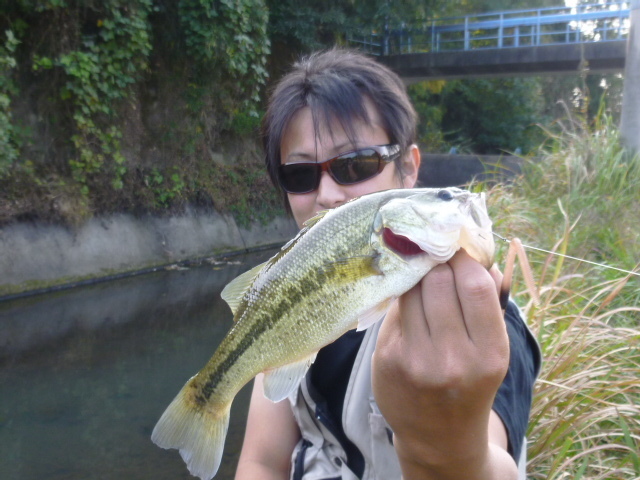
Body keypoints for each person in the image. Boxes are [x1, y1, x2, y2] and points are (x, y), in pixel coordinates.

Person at [235, 48, 541, 480]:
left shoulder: (482, 322)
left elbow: (492, 464)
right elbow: (261, 462)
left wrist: (447, 448)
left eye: (356, 164)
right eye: (300, 175)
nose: (327, 195)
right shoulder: (286, 301)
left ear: (409, 169)